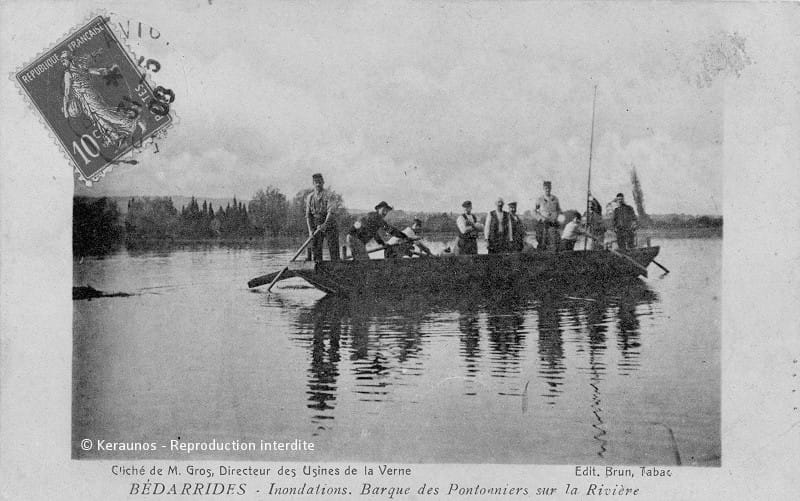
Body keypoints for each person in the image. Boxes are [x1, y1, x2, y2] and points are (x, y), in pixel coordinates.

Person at [305, 173, 340, 262]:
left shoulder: (329, 195)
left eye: (320, 182)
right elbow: (308, 215)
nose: (318, 184)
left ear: (323, 182)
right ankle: (318, 269)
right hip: (316, 224)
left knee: (333, 249)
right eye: (316, 182)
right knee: (316, 250)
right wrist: (310, 230)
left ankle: (336, 268)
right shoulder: (310, 197)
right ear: (313, 183)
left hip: (330, 223)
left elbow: (330, 212)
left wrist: (325, 224)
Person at [534, 181, 561, 251]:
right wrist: (541, 218)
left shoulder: (555, 199)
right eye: (546, 188)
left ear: (551, 188)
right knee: (542, 243)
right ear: (543, 188)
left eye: (549, 188)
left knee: (554, 243)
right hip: (543, 225)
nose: (547, 190)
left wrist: (557, 218)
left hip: (553, 224)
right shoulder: (540, 199)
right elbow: (534, 211)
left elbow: (559, 210)